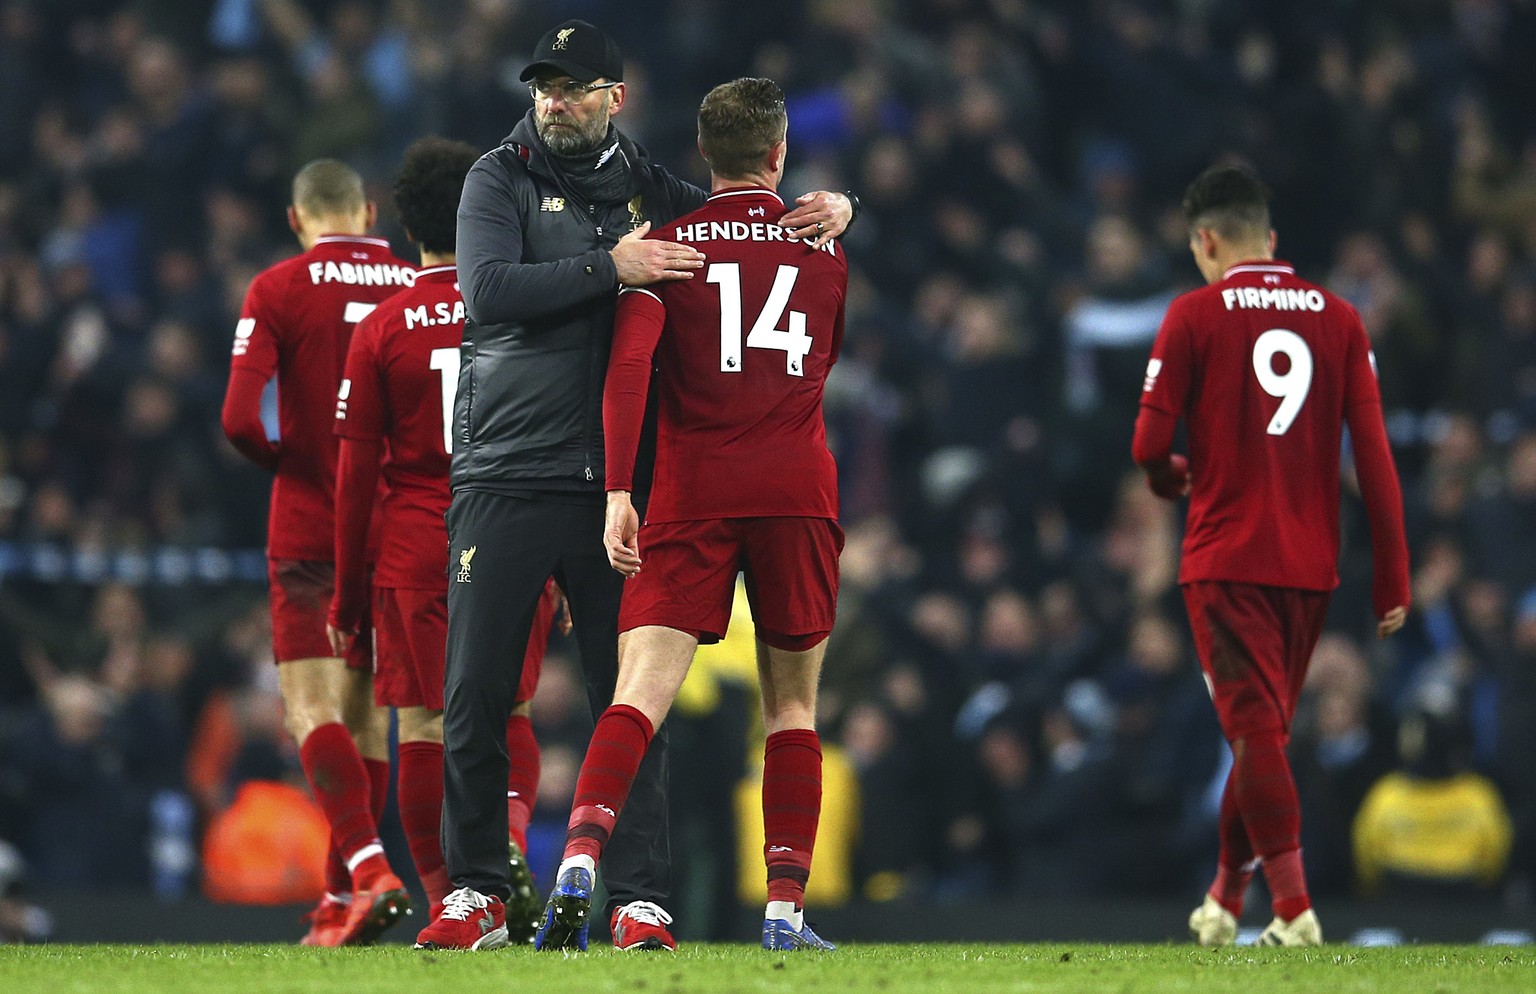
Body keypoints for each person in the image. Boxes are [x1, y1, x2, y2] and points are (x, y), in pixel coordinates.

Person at [431, 20, 856, 953]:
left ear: (614, 97)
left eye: (577, 87)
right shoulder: (497, 178)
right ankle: (476, 893)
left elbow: (741, 209)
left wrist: (837, 203)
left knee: (629, 693)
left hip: (621, 485)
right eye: (546, 85)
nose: (557, 100)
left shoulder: (649, 189)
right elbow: (487, 291)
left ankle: (636, 897)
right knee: (475, 692)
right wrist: (608, 266)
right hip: (509, 466)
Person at [533, 75, 847, 954]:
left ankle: (580, 863)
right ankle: (784, 911)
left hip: (692, 488)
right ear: (778, 155)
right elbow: (821, 360)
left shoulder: (663, 248)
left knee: (637, 695)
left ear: (703, 155)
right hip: (795, 489)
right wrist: (842, 211)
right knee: (791, 710)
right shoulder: (825, 251)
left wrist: (620, 494)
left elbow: (627, 373)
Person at [1132, 164, 1412, 947]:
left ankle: (1293, 913)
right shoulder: (1341, 319)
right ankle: (1225, 898)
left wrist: (1168, 476)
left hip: (1226, 558)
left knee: (1254, 737)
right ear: (1274, 240)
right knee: (1264, 739)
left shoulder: (1195, 314)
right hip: (1312, 564)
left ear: (1208, 241)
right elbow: (1377, 457)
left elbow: (1149, 442)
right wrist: (1393, 572)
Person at [323, 137, 563, 949]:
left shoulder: (384, 327)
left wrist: (348, 600)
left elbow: (356, 483)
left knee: (427, 726)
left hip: (421, 544)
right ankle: (506, 837)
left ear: (405, 222)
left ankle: (454, 901)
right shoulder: (527, 307)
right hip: (519, 532)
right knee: (514, 708)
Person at [220, 159, 414, 946]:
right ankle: (341, 904)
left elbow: (238, 418)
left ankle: (368, 871)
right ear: (369, 212)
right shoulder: (412, 281)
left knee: (309, 712)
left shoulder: (276, 287)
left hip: (308, 525)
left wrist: (296, 462)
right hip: (394, 526)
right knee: (371, 728)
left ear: (298, 220)